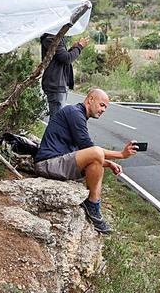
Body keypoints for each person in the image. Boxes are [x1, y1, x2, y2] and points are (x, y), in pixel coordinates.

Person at [33, 88, 136, 234]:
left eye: (106, 107)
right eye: (102, 105)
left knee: (97, 163)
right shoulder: (74, 113)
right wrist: (121, 154)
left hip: (60, 162)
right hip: (48, 163)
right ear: (90, 100)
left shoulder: (78, 115)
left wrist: (108, 163)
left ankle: (94, 206)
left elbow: (84, 154)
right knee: (96, 153)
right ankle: (92, 205)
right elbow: (91, 149)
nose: (104, 110)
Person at [40, 33, 89, 119]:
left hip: (57, 84)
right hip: (55, 84)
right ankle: (53, 133)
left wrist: (73, 48)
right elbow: (67, 59)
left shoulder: (54, 37)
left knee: (57, 120)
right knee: (57, 121)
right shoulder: (51, 38)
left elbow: (61, 58)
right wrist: (79, 46)